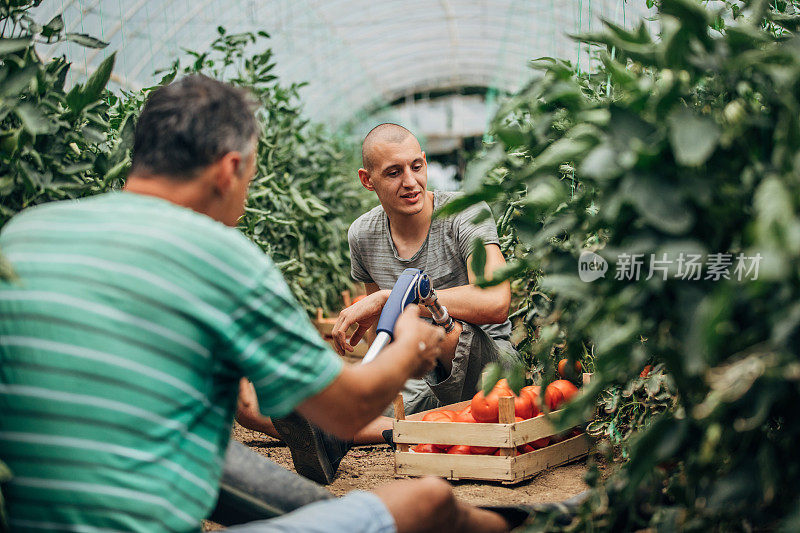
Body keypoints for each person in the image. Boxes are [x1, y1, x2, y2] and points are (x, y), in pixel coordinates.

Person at [0, 75, 508, 533]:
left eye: (417, 167)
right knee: (424, 501)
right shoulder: (221, 257)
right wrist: (408, 346)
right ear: (230, 169)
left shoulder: (21, 236)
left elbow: (243, 406)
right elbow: (348, 406)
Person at [238, 123, 517, 485]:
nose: (411, 182)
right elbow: (384, 345)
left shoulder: (465, 214)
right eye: (393, 172)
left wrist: (396, 298)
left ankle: (354, 428)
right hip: (417, 380)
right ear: (367, 180)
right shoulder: (363, 234)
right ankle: (392, 430)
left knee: (439, 334)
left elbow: (496, 301)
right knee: (252, 404)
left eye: (416, 166)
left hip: (489, 372)